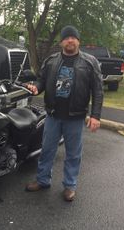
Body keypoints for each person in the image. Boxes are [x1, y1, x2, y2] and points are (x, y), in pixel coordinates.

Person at [25, 25, 103, 201]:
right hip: (53, 115)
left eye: (73, 37)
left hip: (75, 117)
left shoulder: (90, 62)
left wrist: (96, 115)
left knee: (73, 154)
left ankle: (69, 186)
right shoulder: (51, 60)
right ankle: (42, 180)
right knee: (46, 150)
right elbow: (41, 81)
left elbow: (98, 91)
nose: (70, 40)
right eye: (66, 37)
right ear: (61, 42)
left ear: (78, 41)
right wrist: (35, 88)